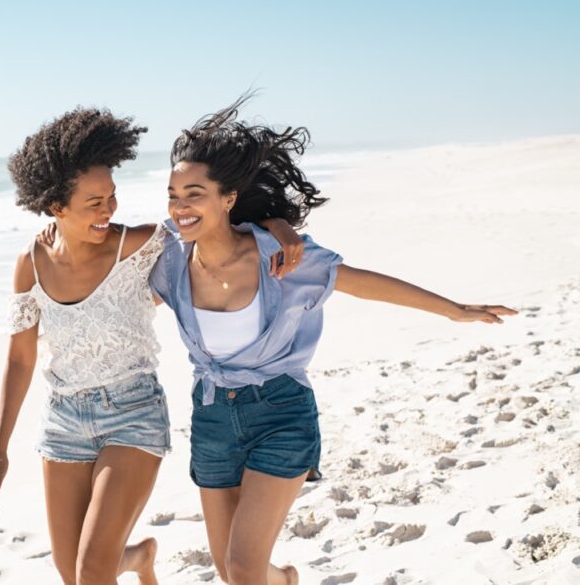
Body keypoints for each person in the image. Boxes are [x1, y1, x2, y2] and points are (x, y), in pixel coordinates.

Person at [150, 96, 517, 585]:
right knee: (232, 568)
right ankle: (288, 580)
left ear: (228, 198)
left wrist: (454, 310)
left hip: (279, 413)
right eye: (173, 195)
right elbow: (108, 284)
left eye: (193, 193)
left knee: (240, 569)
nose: (180, 207)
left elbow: (362, 282)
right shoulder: (168, 261)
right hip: (212, 417)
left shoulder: (282, 260)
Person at [0, 106, 302, 585]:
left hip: (133, 413)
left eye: (111, 197)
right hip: (63, 421)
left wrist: (278, 226)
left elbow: (215, 220)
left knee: (92, 571)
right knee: (72, 572)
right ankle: (138, 559)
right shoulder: (30, 263)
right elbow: (20, 357)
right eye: (93, 202)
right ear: (56, 207)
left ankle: (120, 562)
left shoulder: (140, 245)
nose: (108, 210)